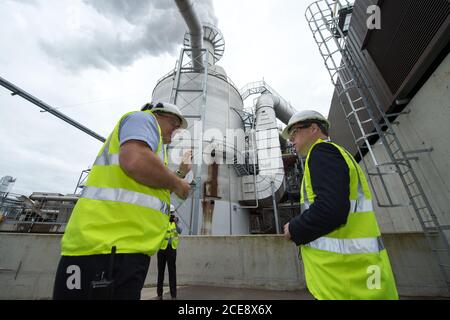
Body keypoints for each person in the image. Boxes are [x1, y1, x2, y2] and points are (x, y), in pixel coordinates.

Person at [53, 101, 193, 300]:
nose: (177, 130)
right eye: (174, 123)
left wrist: (179, 174)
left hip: (123, 250)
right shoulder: (143, 118)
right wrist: (179, 184)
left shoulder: (155, 151)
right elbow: (135, 161)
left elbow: (151, 191)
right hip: (105, 249)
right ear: (159, 115)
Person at [281, 110, 398, 300]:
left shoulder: (322, 153)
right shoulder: (337, 153)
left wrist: (294, 228)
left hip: (346, 281)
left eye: (294, 133)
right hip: (359, 275)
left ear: (313, 129)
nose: (291, 140)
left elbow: (331, 210)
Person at [156, 206, 182, 300]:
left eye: (172, 213)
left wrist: (175, 222)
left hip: (172, 249)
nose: (171, 215)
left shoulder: (176, 221)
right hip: (162, 249)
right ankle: (159, 294)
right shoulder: (162, 220)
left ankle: (173, 295)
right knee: (160, 272)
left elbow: (180, 230)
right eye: (169, 213)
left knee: (172, 272)